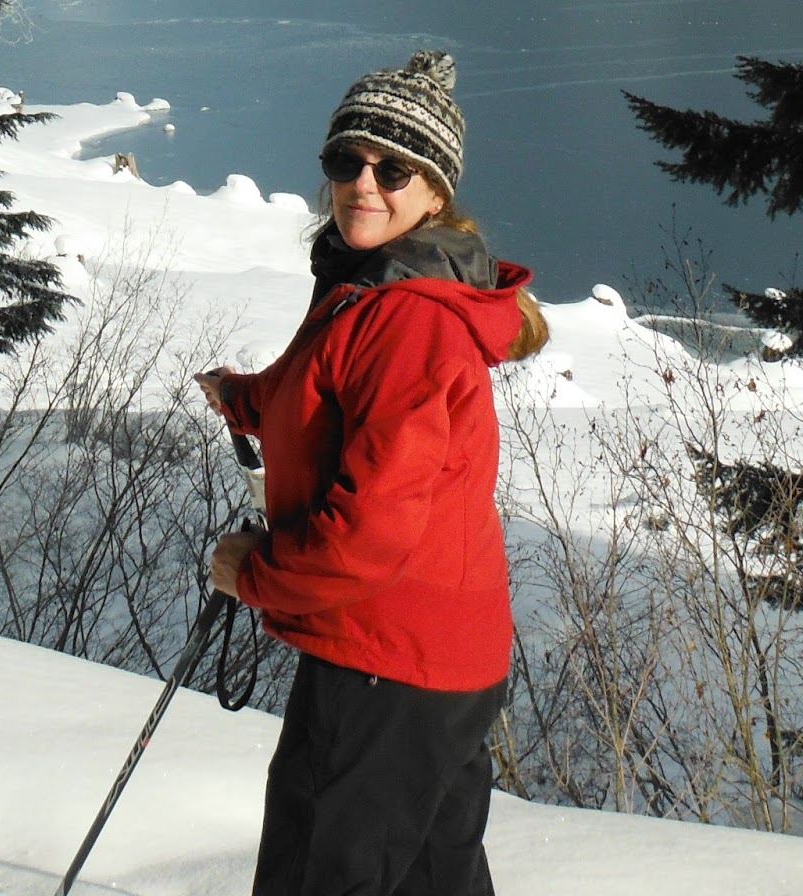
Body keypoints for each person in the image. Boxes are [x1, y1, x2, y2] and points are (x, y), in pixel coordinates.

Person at [197, 48, 546, 896]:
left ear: (435, 192)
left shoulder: (408, 322)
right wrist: (249, 401)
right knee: (433, 877)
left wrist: (259, 577)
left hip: (384, 658)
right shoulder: (374, 287)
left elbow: (370, 531)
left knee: (323, 874)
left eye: (395, 168)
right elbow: (331, 396)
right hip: (438, 662)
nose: (365, 182)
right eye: (346, 160)